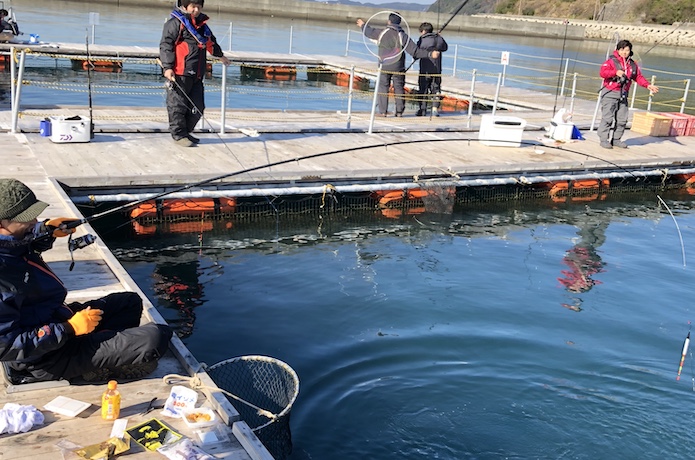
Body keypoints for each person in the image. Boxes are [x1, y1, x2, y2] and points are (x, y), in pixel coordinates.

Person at [0, 179, 173, 384]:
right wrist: (69, 329)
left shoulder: (10, 242)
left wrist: (46, 230)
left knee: (130, 302)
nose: (34, 220)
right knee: (156, 337)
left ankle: (99, 355)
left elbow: (19, 245)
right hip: (43, 359)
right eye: (25, 218)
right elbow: (5, 345)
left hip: (53, 318)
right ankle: (81, 365)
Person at [159, 0, 231, 147]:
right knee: (177, 106)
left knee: (198, 107)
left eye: (199, 6)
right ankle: (178, 135)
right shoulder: (175, 23)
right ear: (185, 7)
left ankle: (186, 132)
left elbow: (211, 43)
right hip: (180, 72)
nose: (196, 10)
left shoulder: (203, 26)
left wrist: (220, 56)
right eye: (193, 6)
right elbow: (166, 45)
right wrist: (167, 67)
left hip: (197, 73)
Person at [356, 13, 439, 117]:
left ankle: (383, 112)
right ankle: (399, 112)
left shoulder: (382, 32)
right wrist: (430, 54)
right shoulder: (402, 35)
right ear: (399, 22)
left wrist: (363, 25)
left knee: (383, 87)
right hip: (398, 66)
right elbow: (415, 52)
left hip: (384, 65)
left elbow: (369, 32)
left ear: (389, 21)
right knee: (399, 88)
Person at [598, 39, 659, 149]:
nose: (624, 52)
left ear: (630, 51)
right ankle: (603, 139)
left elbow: (638, 77)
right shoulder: (611, 61)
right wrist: (615, 72)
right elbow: (603, 73)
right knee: (607, 118)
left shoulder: (632, 64)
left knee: (622, 119)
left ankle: (616, 139)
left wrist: (648, 85)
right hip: (610, 92)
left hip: (623, 94)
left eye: (627, 50)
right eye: (622, 50)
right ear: (618, 50)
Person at [415, 23, 447, 117]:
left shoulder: (422, 40)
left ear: (424, 31)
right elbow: (445, 47)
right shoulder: (438, 39)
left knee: (423, 90)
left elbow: (417, 52)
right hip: (437, 69)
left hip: (424, 69)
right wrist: (439, 37)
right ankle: (435, 109)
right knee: (436, 89)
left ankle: (422, 109)